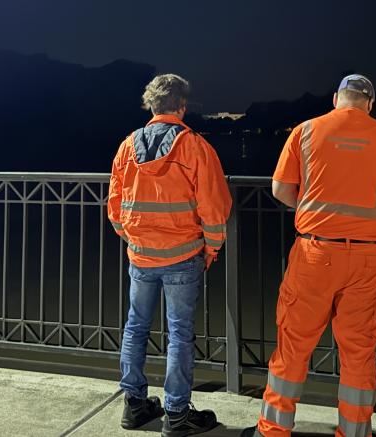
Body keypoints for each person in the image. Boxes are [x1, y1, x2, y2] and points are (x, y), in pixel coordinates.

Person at [242, 74, 376, 437]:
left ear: (337, 98)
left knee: (293, 344)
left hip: (315, 252)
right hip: (369, 257)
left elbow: (280, 188)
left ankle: (273, 431)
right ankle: (354, 432)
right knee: (359, 350)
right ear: (369, 103)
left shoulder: (306, 131)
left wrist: (312, 210)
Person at [108, 73, 231, 437]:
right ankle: (176, 414)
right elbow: (214, 205)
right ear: (182, 106)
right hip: (182, 256)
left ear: (151, 105)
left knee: (135, 327)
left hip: (141, 255)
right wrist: (212, 247)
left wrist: (133, 238)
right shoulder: (194, 146)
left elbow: (114, 207)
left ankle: (134, 405)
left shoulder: (127, 146)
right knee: (179, 334)